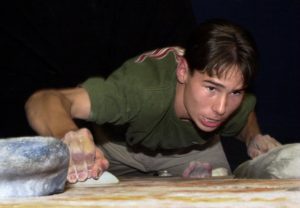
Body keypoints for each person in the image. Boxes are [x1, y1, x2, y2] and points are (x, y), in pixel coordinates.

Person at [25, 19, 281, 183]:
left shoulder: (231, 101)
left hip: (194, 150)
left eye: (234, 92)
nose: (221, 108)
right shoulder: (141, 90)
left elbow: (244, 112)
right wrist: (68, 135)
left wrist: (253, 137)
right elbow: (44, 100)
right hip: (118, 149)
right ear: (183, 71)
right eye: (211, 88)